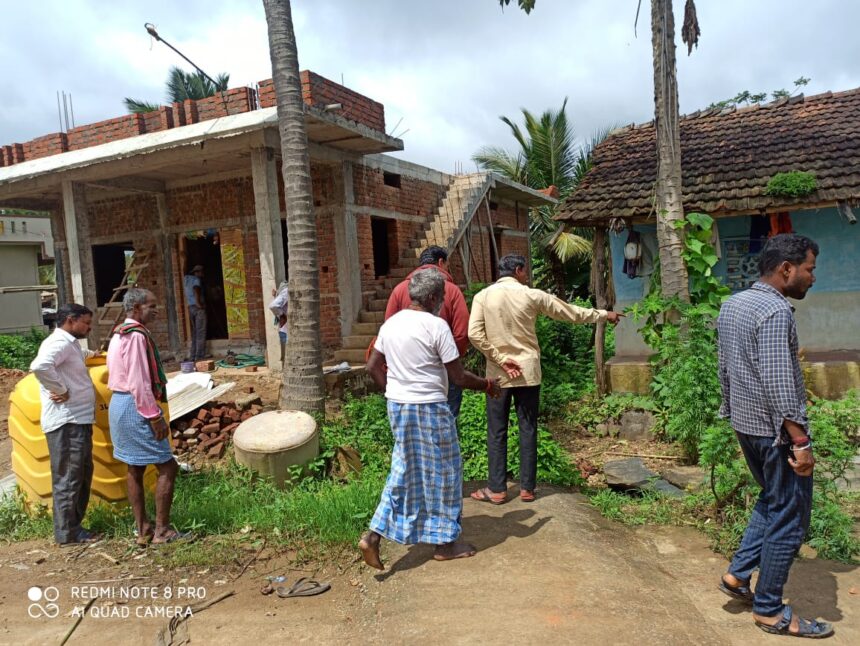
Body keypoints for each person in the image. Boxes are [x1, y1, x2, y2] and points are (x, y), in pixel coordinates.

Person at [717, 234, 832, 638]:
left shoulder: (733, 305)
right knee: (791, 517)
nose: (812, 277)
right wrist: (800, 441)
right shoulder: (775, 311)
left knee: (772, 499)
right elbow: (780, 382)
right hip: (776, 433)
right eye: (810, 269)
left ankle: (737, 575)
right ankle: (769, 610)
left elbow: (726, 369)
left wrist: (732, 413)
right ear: (786, 269)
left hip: (747, 425)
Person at [359, 268, 501, 570]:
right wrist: (488, 385)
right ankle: (446, 543)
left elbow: (372, 366)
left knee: (404, 470)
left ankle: (372, 535)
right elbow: (459, 377)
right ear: (435, 297)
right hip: (430, 409)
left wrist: (393, 393)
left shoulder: (391, 324)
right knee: (447, 474)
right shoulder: (436, 327)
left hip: (398, 407)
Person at [468, 254, 622, 504]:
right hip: (528, 371)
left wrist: (498, 357)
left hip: (498, 375)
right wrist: (604, 314)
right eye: (525, 271)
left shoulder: (483, 297)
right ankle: (527, 488)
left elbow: (474, 334)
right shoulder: (531, 295)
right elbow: (569, 312)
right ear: (518, 270)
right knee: (528, 428)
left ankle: (497, 489)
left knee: (497, 430)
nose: (527, 275)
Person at [107, 288, 182, 545]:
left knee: (134, 467)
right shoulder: (137, 336)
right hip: (136, 405)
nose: (156, 310)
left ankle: (143, 530)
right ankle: (162, 531)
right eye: (151, 306)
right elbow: (139, 380)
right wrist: (153, 415)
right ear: (136, 308)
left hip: (119, 403)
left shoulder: (118, 333)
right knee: (168, 466)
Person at [29, 303, 101, 545]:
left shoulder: (69, 343)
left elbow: (77, 357)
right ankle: (67, 533)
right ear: (71, 320)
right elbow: (39, 366)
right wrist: (61, 389)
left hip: (78, 419)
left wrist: (95, 354)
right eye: (86, 323)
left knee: (80, 474)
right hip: (67, 421)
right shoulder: (58, 343)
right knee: (69, 477)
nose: (89, 328)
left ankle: (74, 526)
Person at [384, 245, 470, 419]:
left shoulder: (399, 290)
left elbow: (388, 330)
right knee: (447, 424)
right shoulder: (451, 290)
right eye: (447, 265)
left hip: (405, 374)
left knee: (411, 434)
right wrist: (450, 359)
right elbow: (461, 333)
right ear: (440, 262)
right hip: (444, 371)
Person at [183, 264, 207, 361]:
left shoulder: (186, 279)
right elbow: (196, 289)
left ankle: (193, 355)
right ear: (197, 272)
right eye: (201, 272)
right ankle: (199, 356)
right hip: (197, 308)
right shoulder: (196, 280)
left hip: (190, 307)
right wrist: (198, 303)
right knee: (200, 331)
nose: (202, 274)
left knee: (194, 333)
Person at [268, 280, 289, 365]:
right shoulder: (286, 292)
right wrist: (282, 315)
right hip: (286, 327)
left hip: (285, 328)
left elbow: (277, 305)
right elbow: (273, 306)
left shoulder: (284, 292)